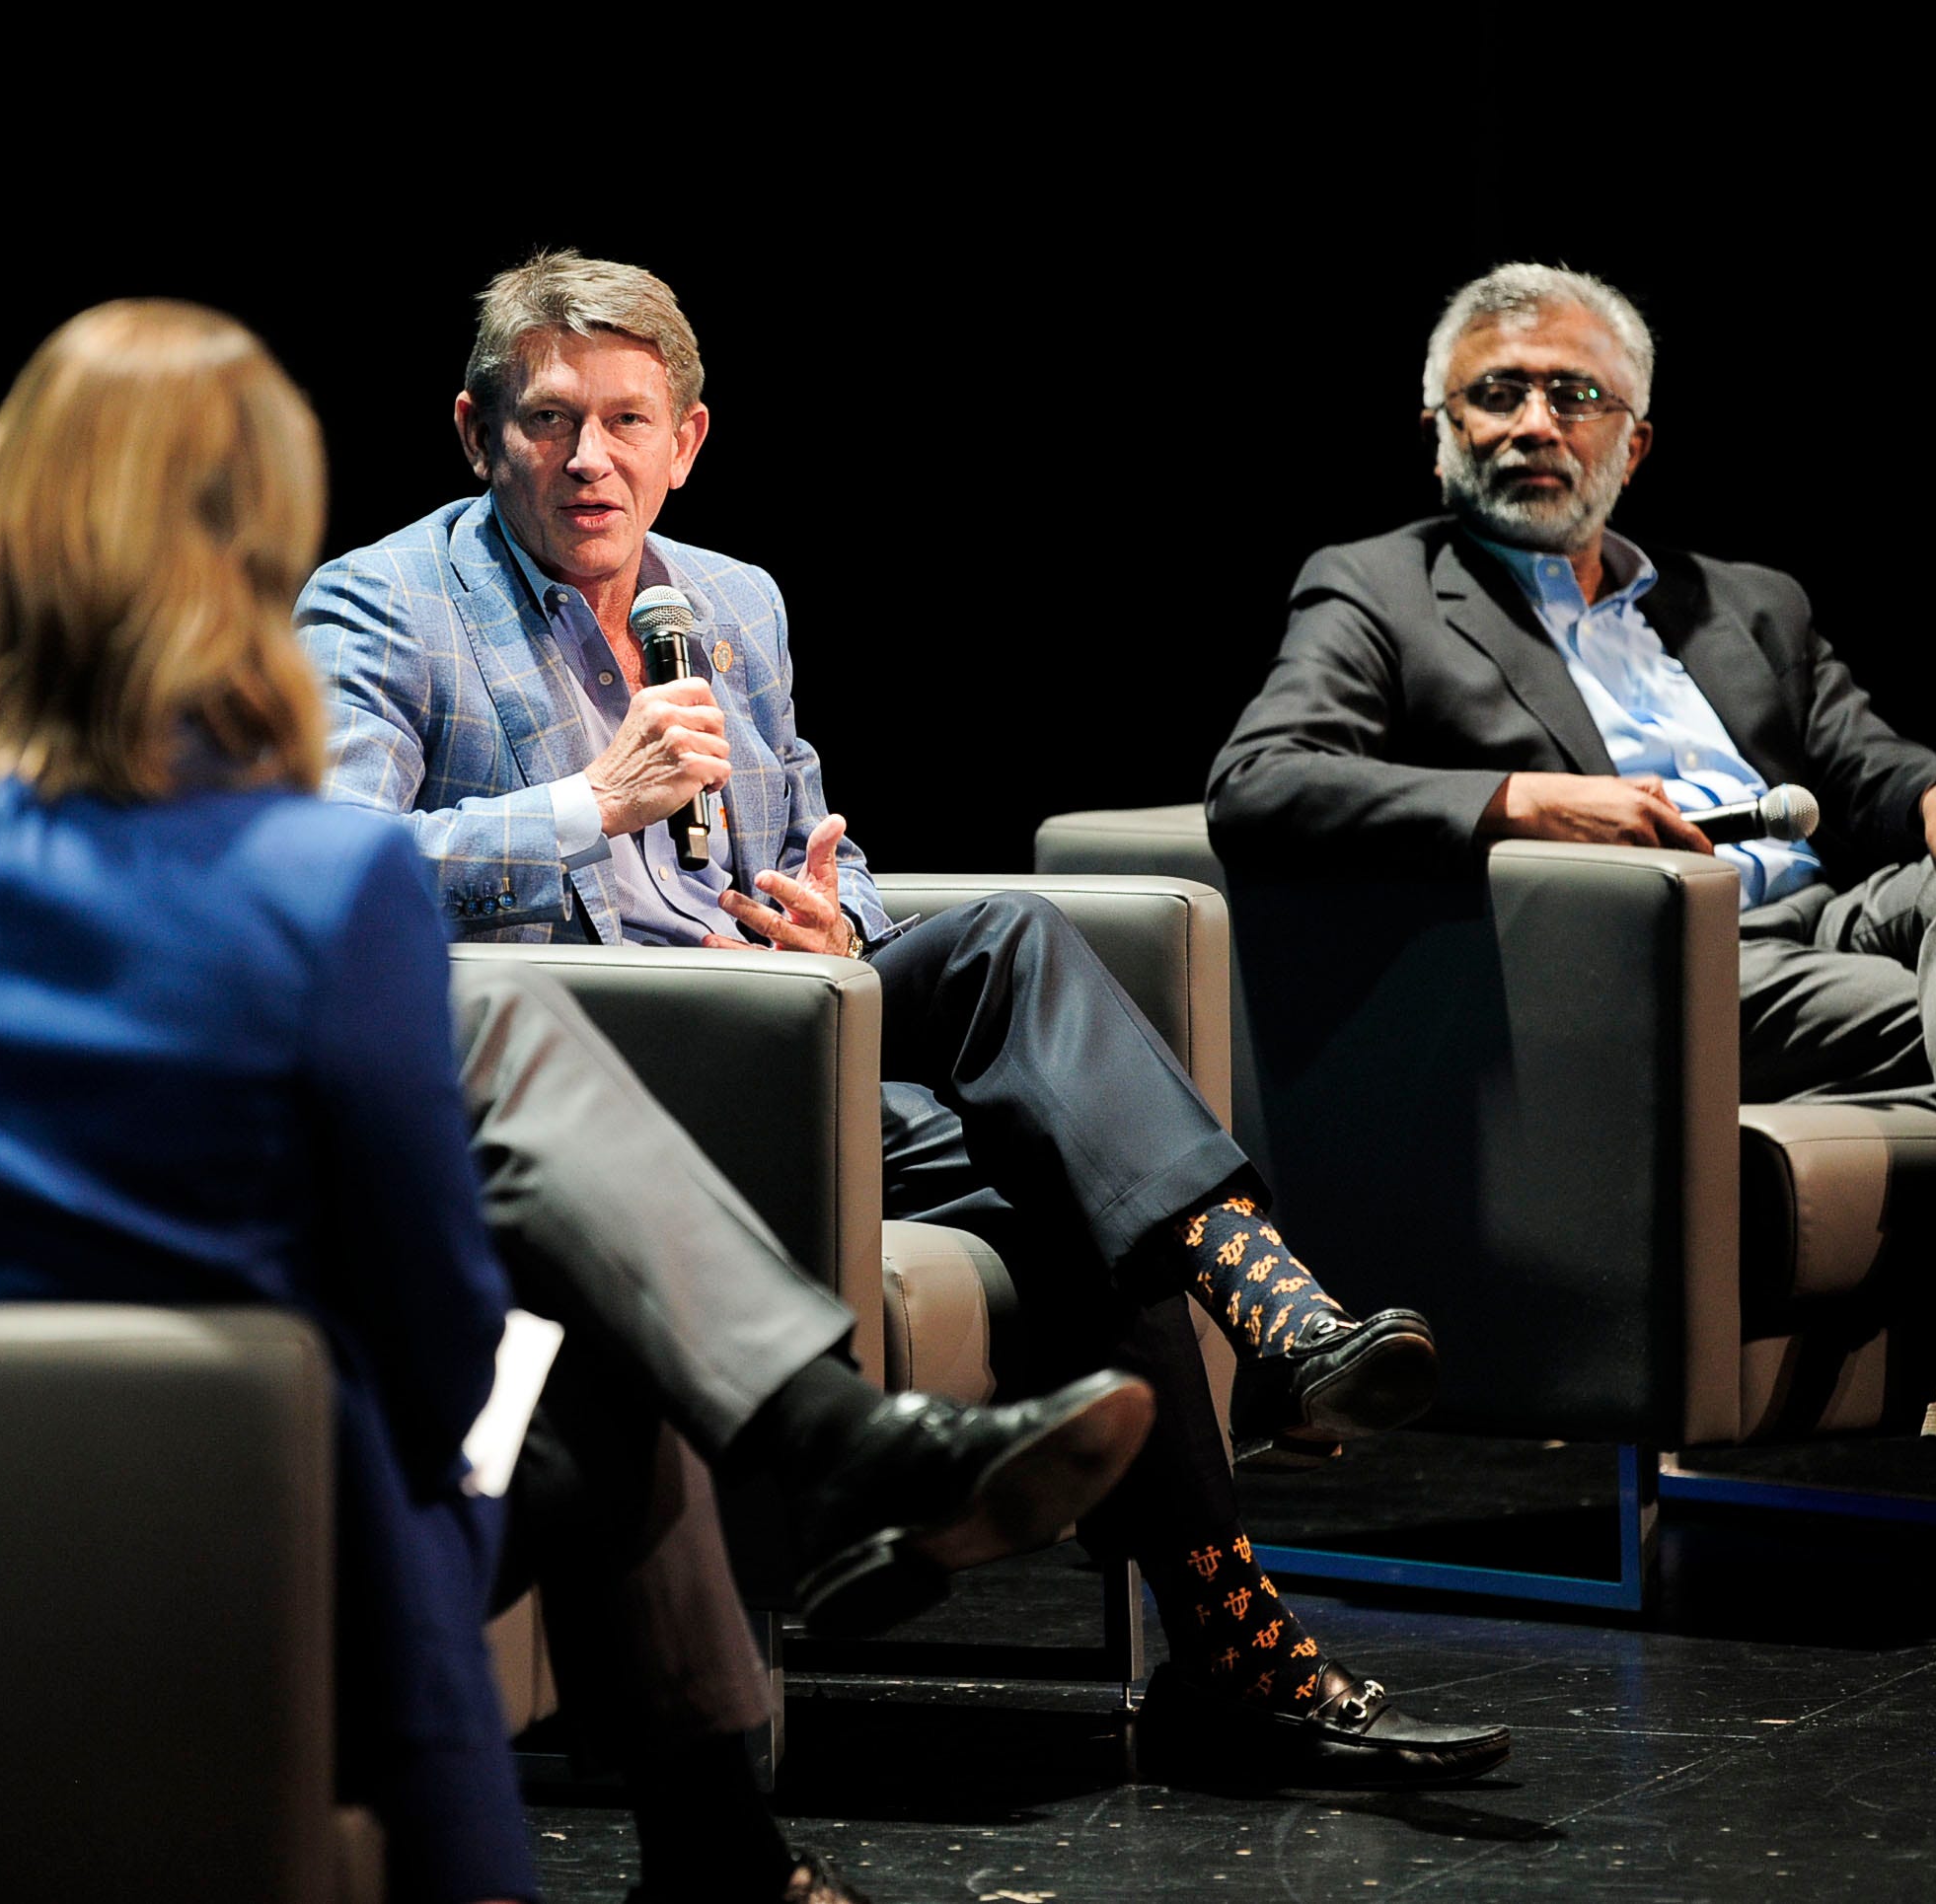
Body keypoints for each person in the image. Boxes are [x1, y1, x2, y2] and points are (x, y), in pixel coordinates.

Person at [0, 331, 1159, 1904]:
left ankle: (729, 1813)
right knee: (529, 1236)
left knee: (584, 1297)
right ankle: (826, 1454)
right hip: (219, 1450)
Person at [298, 250, 1510, 1789]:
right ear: (474, 432)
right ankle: (1257, 1377)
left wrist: (835, 913)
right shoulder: (386, 604)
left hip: (792, 1017)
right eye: (546, 422)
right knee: (1063, 1144)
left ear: (687, 439)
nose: (586, 458)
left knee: (1018, 986)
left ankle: (1243, 1564)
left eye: (623, 420)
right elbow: (324, 877)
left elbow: (823, 838)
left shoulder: (728, 601)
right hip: (609, 1077)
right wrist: (579, 806)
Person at [1207, 260, 1936, 1470]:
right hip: (1652, 970)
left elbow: (1862, 757)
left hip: (1825, 928)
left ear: (1636, 441)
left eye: (1574, 395)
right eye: (1496, 394)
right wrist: (1524, 802)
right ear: (1438, 431)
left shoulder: (1746, 603)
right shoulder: (1380, 590)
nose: (1533, 424)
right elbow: (1263, 778)